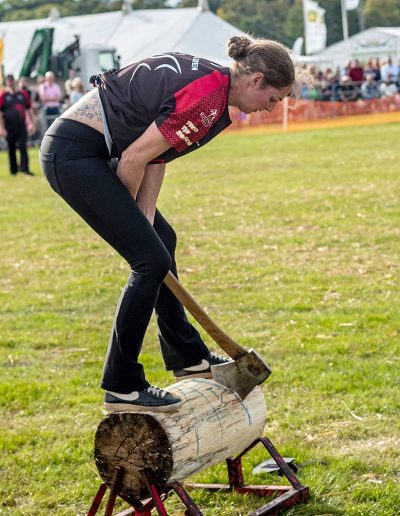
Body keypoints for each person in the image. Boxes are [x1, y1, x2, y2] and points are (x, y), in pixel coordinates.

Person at [39, 36, 300, 413]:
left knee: (163, 240)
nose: (272, 109)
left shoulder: (214, 88)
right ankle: (122, 384)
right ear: (255, 80)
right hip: (75, 154)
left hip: (95, 153)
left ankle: (186, 355)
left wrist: (144, 215)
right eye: (274, 99)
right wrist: (130, 224)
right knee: (150, 261)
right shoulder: (208, 97)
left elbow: (156, 154)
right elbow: (131, 160)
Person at [0, 74, 36, 175]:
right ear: (6, 82)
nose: (11, 83)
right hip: (9, 126)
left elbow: (29, 109)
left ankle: (25, 168)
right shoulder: (3, 95)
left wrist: (32, 124)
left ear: (15, 81)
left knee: (23, 147)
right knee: (11, 148)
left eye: (12, 80)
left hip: (21, 125)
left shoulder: (23, 94)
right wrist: (2, 128)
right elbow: (0, 112)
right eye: (9, 81)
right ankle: (13, 170)